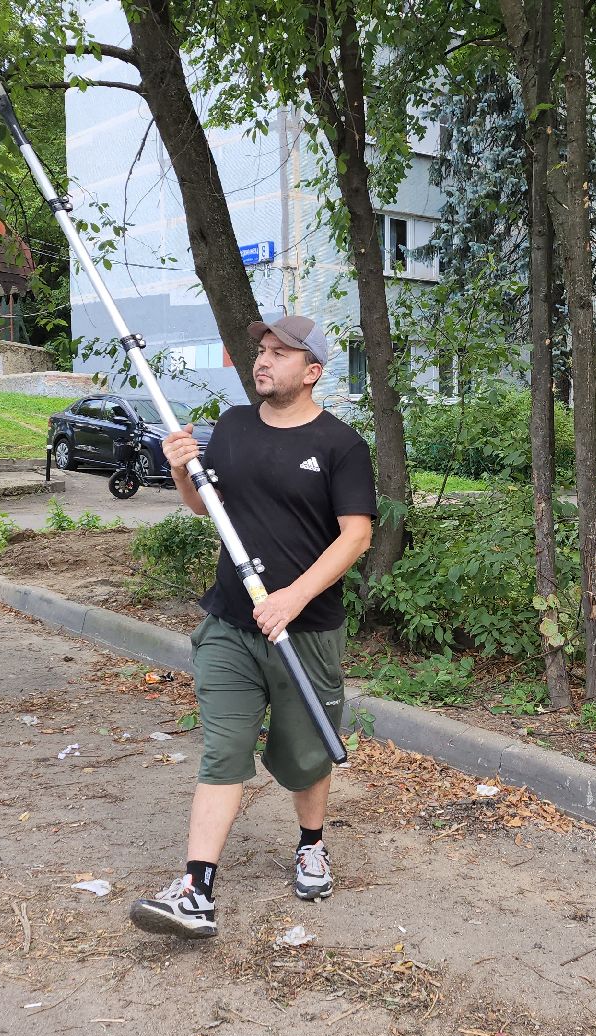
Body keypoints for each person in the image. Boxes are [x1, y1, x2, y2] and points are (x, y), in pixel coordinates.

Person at [129, 314, 376, 940]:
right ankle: (196, 889)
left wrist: (293, 597)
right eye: (261, 351)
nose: (262, 361)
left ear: (312, 371)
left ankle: (312, 842)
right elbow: (205, 507)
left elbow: (358, 535)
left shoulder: (341, 445)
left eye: (279, 354)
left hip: (306, 631)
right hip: (232, 626)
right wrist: (182, 468)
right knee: (223, 750)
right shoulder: (234, 428)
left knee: (304, 753)